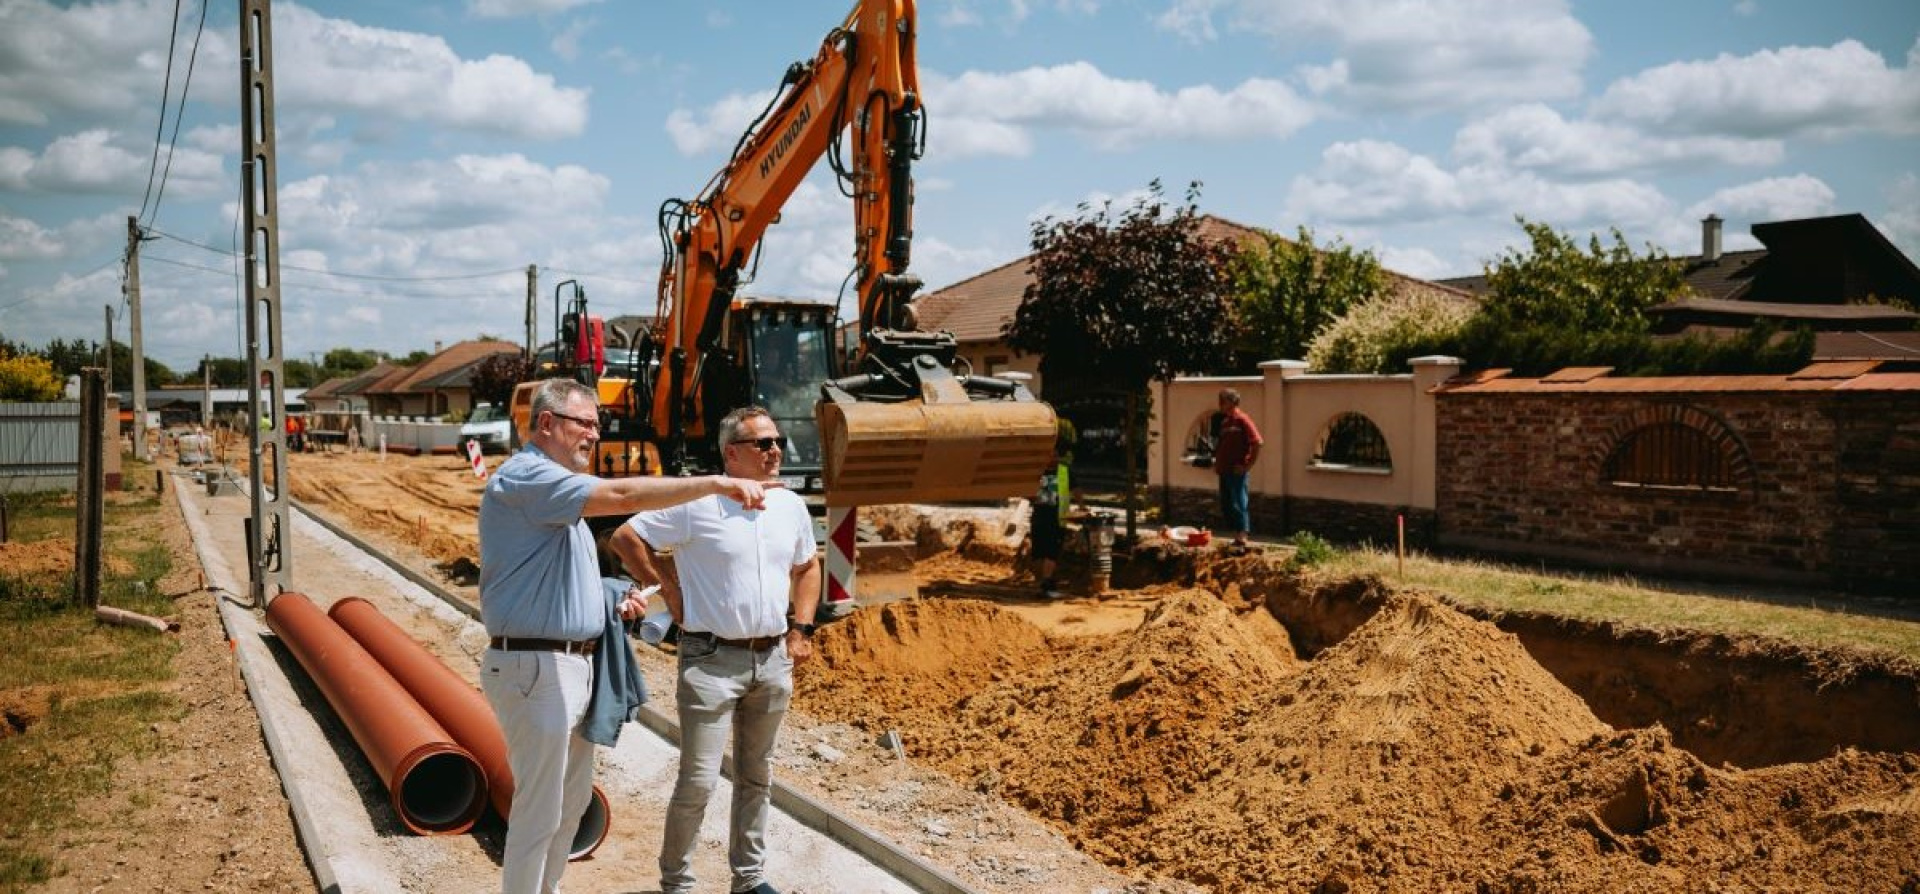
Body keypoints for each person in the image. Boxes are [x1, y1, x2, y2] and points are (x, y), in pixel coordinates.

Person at [478, 378, 775, 894]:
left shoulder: (553, 494)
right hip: (536, 668)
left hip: (564, 665)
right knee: (539, 810)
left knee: (568, 808)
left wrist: (610, 600)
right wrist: (716, 483)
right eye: (585, 424)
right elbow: (621, 493)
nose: (594, 435)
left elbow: (554, 580)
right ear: (546, 423)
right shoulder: (529, 477)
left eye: (598, 424)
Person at [608, 405, 821, 894]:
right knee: (699, 781)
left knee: (757, 778)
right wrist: (668, 586)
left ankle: (748, 880)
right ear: (731, 453)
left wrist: (802, 629)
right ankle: (677, 883)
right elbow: (626, 536)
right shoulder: (698, 502)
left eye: (777, 443)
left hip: (770, 660)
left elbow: (807, 566)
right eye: (762, 444)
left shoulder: (789, 506)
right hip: (710, 662)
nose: (774, 452)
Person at [1029, 420, 1074, 599]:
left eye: (1055, 455)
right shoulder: (1037, 473)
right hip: (1040, 516)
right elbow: (1027, 493)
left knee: (1051, 551)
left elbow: (1074, 491)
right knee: (1040, 552)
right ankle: (1044, 582)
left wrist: (1078, 508)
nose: (1053, 459)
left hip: (1057, 517)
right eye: (1050, 455)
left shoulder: (1063, 472)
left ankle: (1046, 581)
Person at [1212, 387, 1264, 548]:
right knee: (1227, 504)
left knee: (1239, 502)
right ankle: (1236, 535)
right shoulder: (1225, 422)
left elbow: (1257, 442)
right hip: (1224, 470)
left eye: (1224, 400)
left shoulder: (1242, 419)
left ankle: (1243, 535)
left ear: (1233, 402)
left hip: (1237, 471)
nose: (1220, 403)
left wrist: (1247, 465)